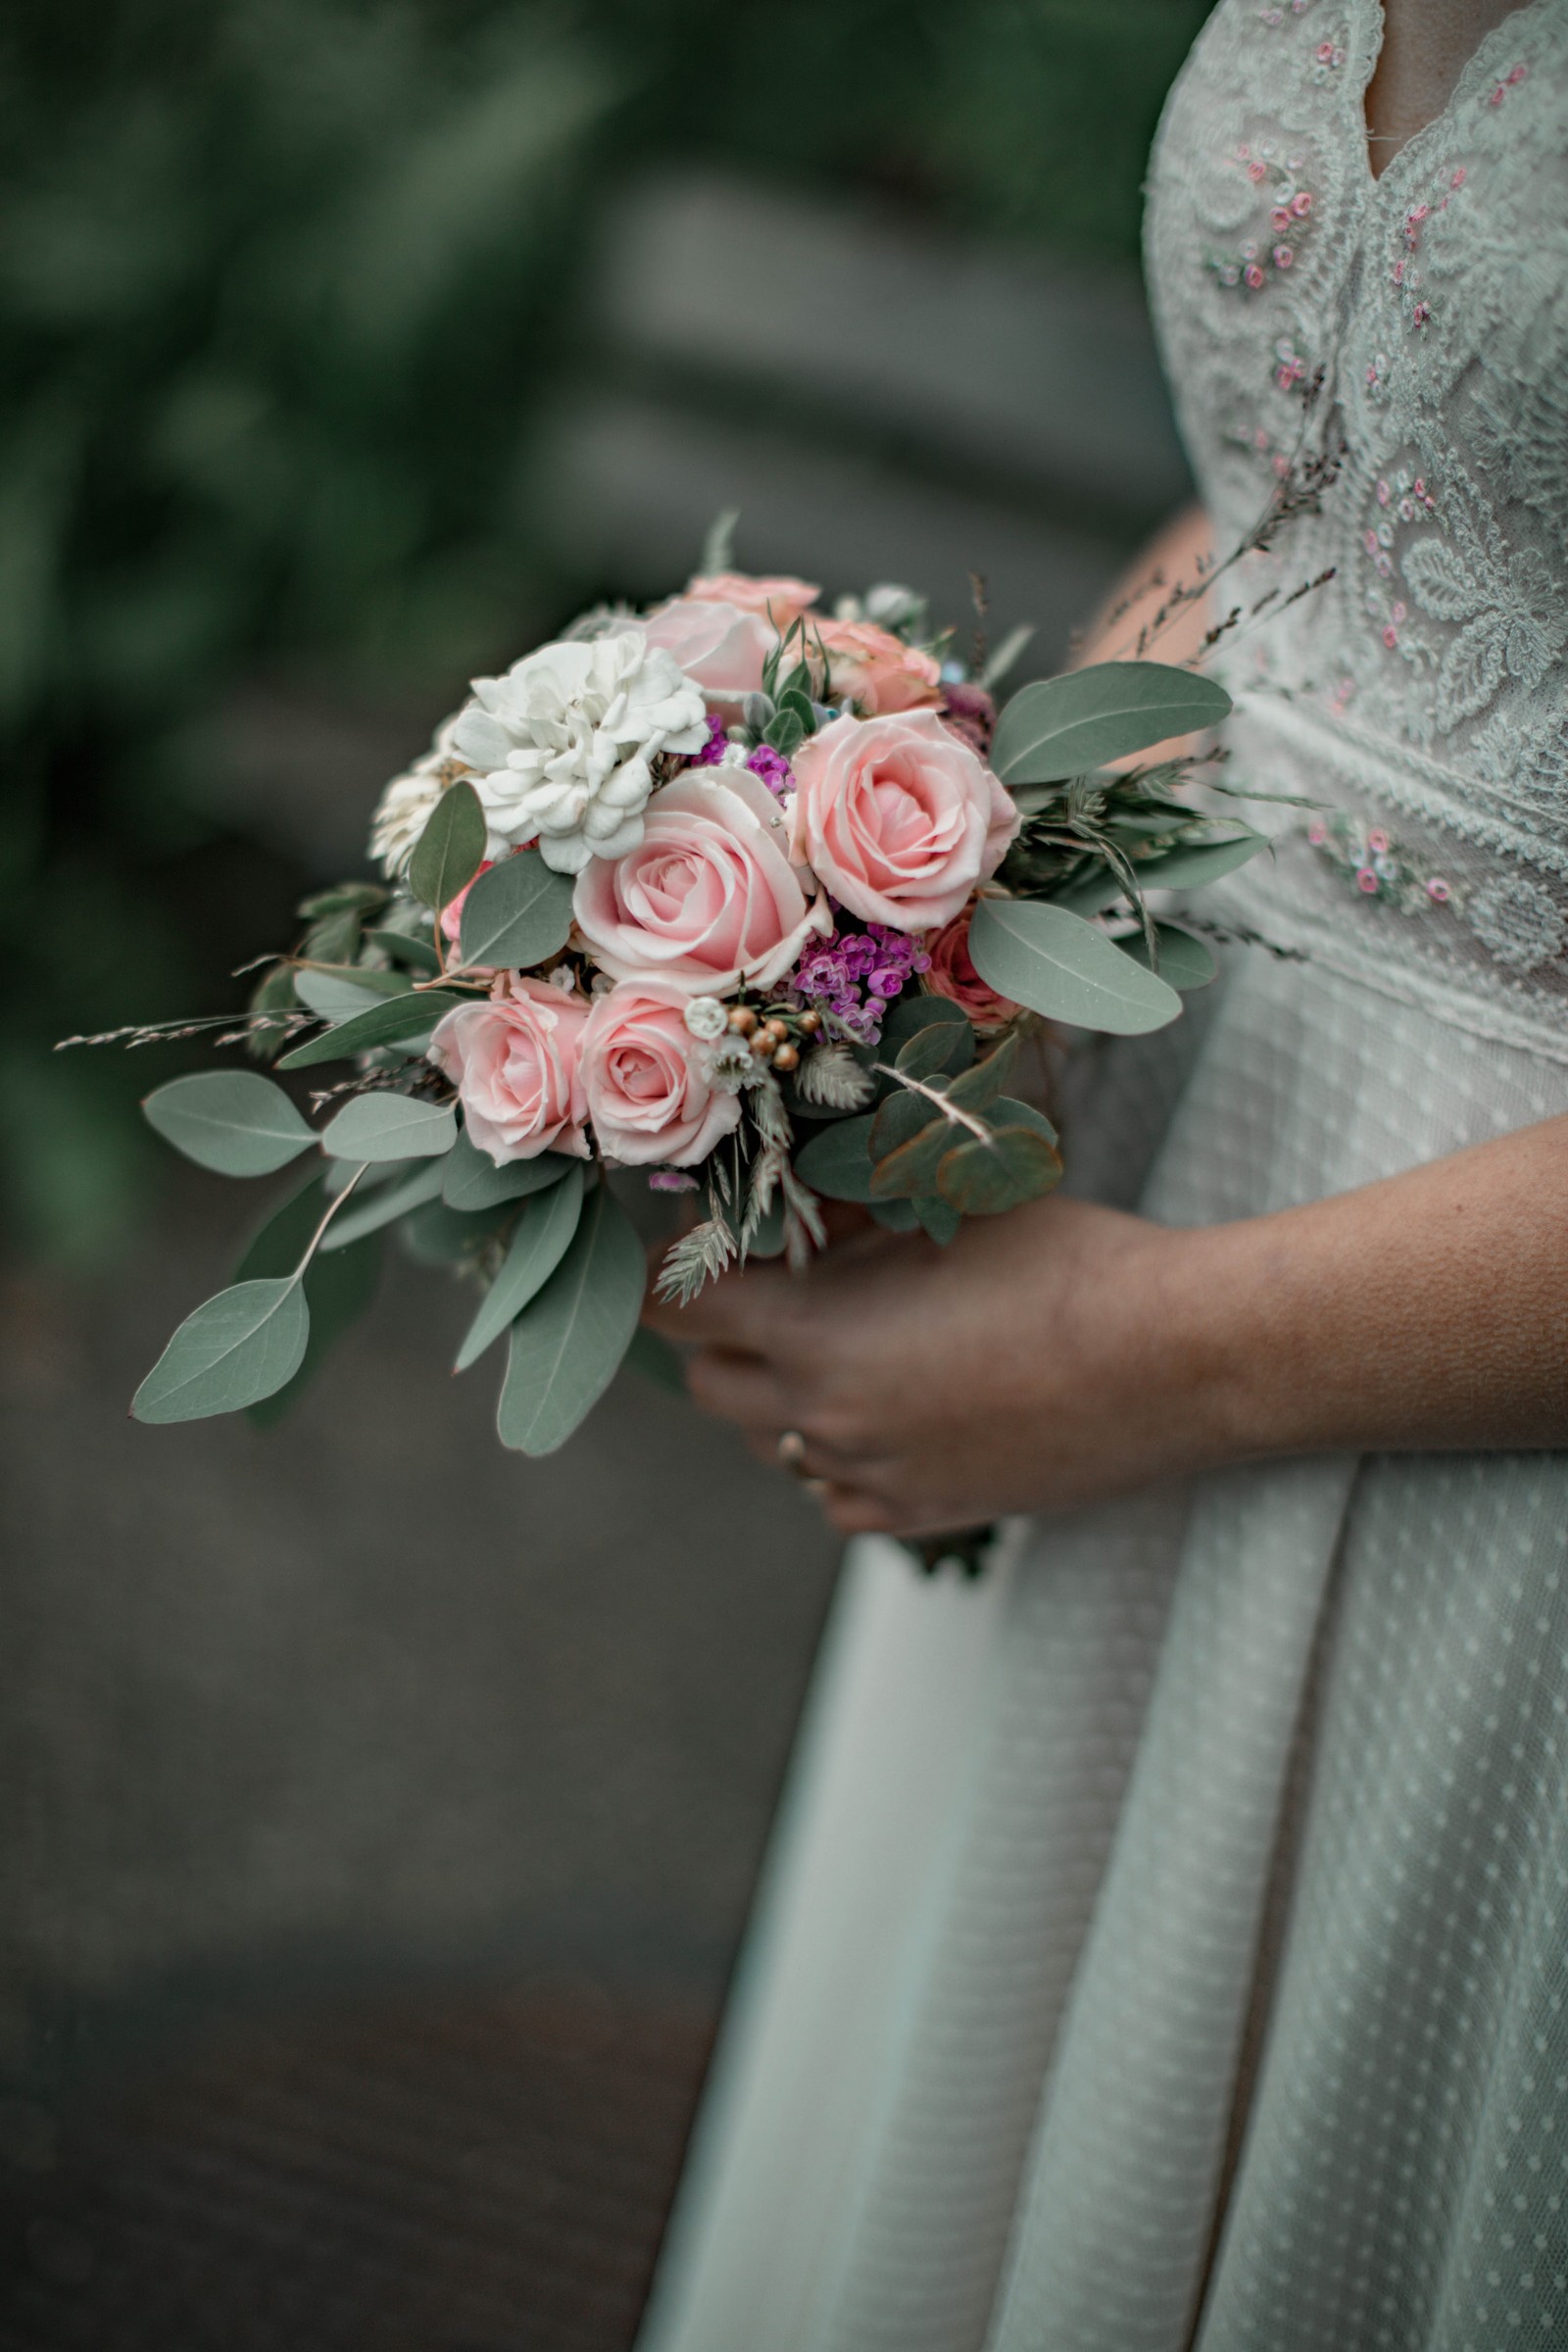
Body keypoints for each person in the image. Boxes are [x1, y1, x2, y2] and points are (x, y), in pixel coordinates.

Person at [638, 2, 1568, 2344]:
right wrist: (936, 949)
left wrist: (1121, 1350)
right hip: (1142, 1175)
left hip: (1445, 1377)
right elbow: (1310, 508)